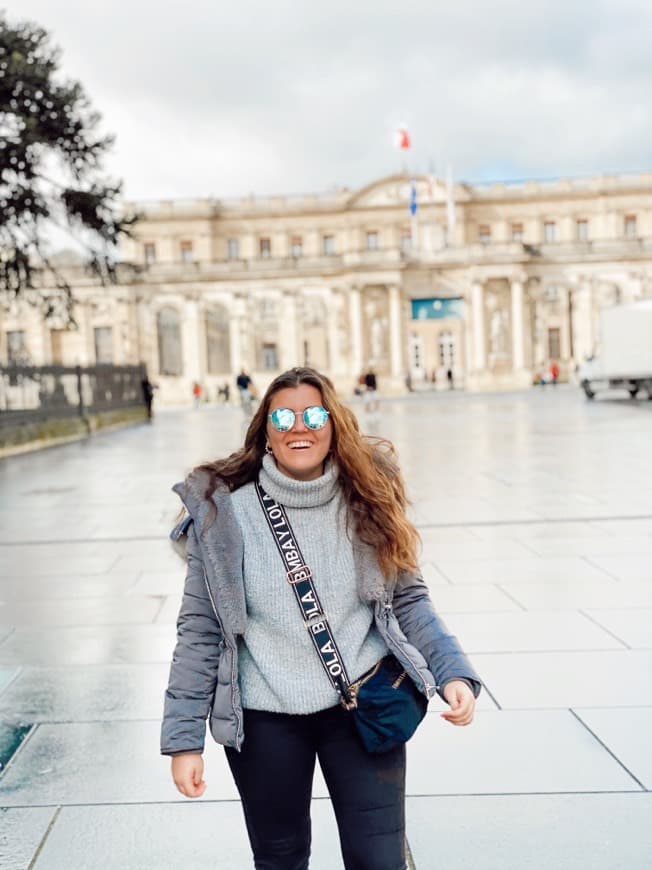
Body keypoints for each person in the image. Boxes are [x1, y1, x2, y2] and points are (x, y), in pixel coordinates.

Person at [161, 367, 481, 870]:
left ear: (333, 424)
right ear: (265, 430)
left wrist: (452, 672)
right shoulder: (226, 518)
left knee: (379, 859)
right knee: (280, 858)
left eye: (313, 414)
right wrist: (184, 741)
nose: (298, 427)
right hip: (265, 719)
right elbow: (200, 632)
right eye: (282, 417)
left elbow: (410, 600)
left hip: (361, 705)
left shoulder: (368, 502)